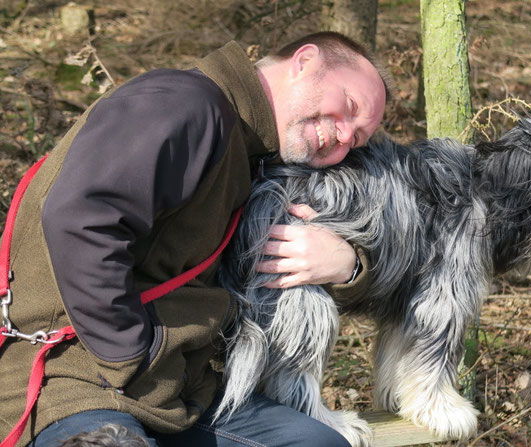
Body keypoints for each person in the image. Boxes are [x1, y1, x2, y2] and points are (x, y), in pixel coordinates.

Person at [0, 31, 388, 447]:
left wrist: (347, 266)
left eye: (359, 138)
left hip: (179, 394)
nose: (346, 136)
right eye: (348, 107)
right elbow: (80, 219)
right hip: (75, 383)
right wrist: (130, 353)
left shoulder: (258, 152)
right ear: (304, 61)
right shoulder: (184, 105)